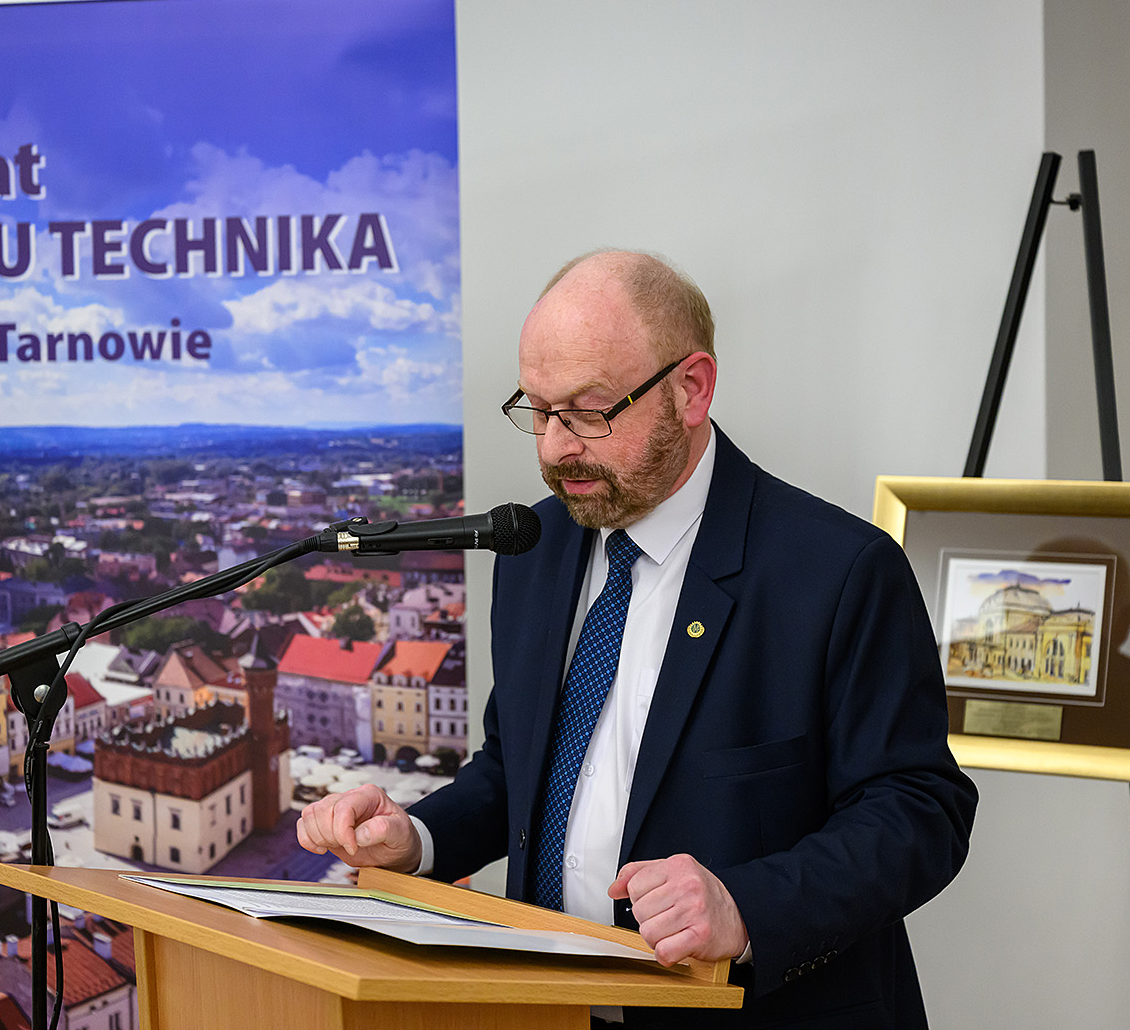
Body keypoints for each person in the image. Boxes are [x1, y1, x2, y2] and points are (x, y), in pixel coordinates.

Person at [297, 250, 977, 1028]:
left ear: (692, 388)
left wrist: (744, 905)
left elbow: (920, 809)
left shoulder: (839, 569)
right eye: (538, 409)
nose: (554, 447)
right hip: (550, 1012)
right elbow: (517, 770)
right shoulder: (532, 548)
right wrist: (417, 838)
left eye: (589, 410)